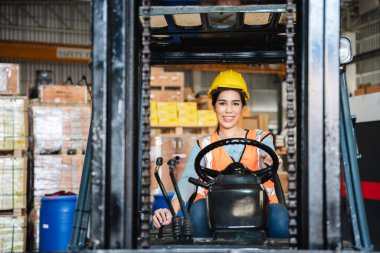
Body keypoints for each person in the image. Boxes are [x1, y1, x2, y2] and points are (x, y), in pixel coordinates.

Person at [153, 70, 288, 238]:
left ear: (243, 107)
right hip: (215, 209)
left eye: (235, 103)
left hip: (258, 207)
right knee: (197, 211)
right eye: (222, 103)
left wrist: (271, 161)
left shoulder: (261, 138)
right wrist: (169, 209)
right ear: (214, 106)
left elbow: (271, 158)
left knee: (280, 216)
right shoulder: (204, 145)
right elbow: (188, 180)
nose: (229, 110)